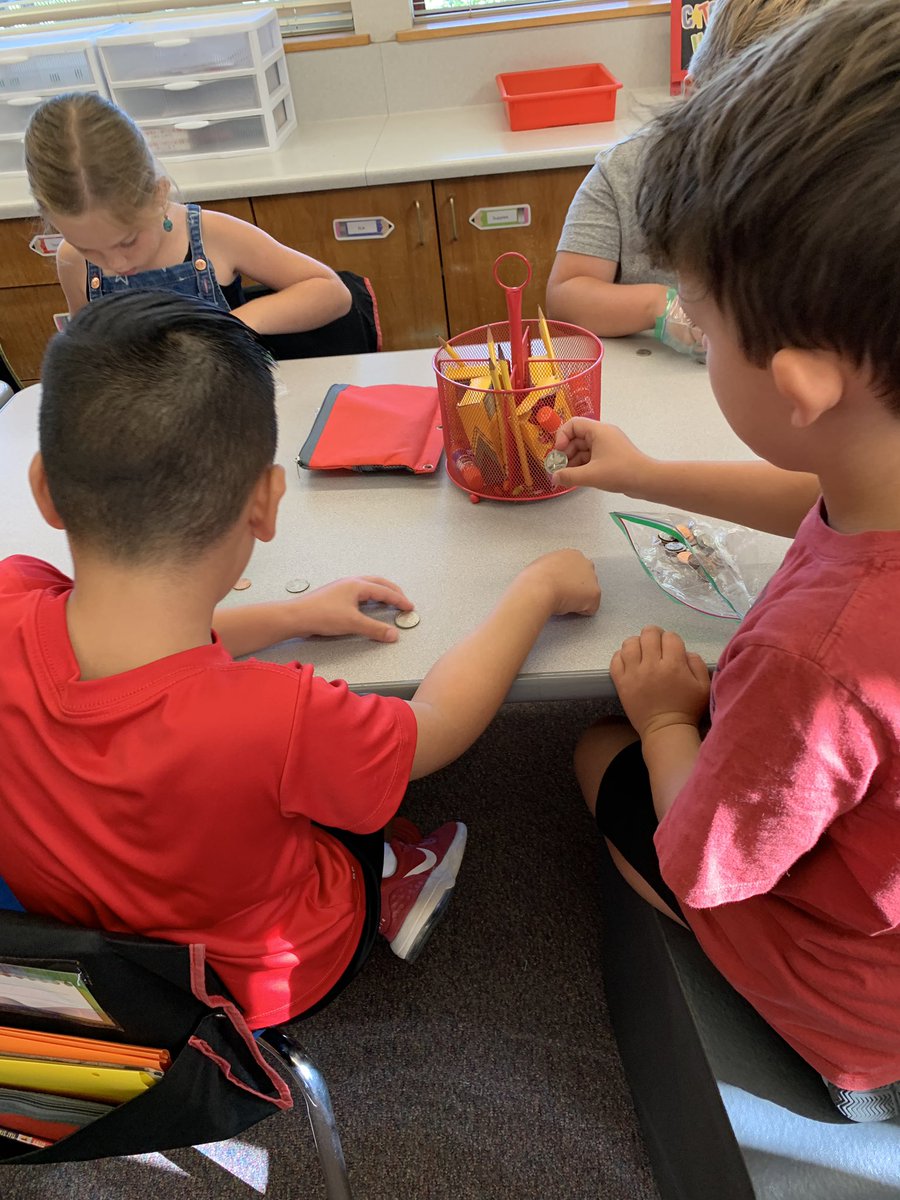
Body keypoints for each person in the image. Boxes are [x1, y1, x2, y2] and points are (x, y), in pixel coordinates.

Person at [0, 291, 600, 1030]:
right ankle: (389, 881)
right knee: (348, 785)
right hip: (261, 981)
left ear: (46, 492)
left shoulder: (9, 596)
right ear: (266, 503)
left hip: (93, 971)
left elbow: (127, 635)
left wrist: (287, 615)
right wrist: (534, 591)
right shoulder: (276, 716)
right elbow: (434, 727)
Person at [550, 0, 900, 1122]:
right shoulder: (871, 475)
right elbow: (811, 494)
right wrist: (638, 472)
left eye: (700, 326)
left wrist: (665, 722)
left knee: (593, 743)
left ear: (795, 384)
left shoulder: (816, 659)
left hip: (859, 1008)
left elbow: (712, 861)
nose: (695, 338)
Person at [545, 0, 829, 353]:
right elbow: (565, 296)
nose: (754, 157)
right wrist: (659, 307)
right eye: (734, 128)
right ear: (691, 95)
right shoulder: (625, 170)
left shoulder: (825, 182)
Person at [23, 92, 351, 337]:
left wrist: (231, 325)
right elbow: (87, 342)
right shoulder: (71, 261)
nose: (116, 265)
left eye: (128, 241)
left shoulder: (213, 235)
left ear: (158, 195)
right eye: (87, 247)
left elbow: (330, 291)